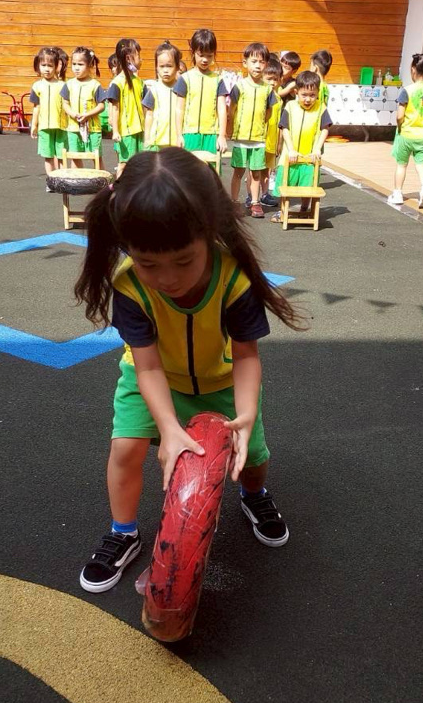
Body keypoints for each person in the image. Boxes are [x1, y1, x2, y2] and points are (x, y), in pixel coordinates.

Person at [73, 148, 304, 593]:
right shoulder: (129, 286)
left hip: (221, 380)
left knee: (253, 456)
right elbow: (147, 365)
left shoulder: (234, 278)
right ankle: (123, 532)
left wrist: (246, 417)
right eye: (148, 263)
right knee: (125, 448)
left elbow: (247, 356)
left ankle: (254, 496)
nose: (167, 278)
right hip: (152, 379)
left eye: (183, 260)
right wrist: (167, 427)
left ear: (209, 234)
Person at [270, 70, 330, 223]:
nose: (308, 99)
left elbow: (325, 128)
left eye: (312, 95)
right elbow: (285, 128)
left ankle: (304, 209)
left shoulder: (321, 108)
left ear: (318, 93)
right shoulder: (290, 106)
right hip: (290, 155)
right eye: (304, 95)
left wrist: (317, 148)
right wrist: (290, 149)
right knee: (285, 183)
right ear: (296, 92)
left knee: (308, 184)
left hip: (310, 156)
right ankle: (282, 210)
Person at [230, 42, 278, 219]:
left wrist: (260, 126)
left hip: (258, 139)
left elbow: (269, 112)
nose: (258, 65)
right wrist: (231, 129)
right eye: (254, 61)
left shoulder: (268, 90)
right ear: (245, 63)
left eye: (262, 62)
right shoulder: (239, 86)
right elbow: (231, 109)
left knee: (256, 173)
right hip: (241, 138)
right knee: (238, 172)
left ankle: (256, 203)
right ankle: (234, 202)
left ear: (266, 64)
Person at [388, 53, 423, 209]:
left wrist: (400, 126)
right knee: (421, 164)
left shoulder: (407, 90)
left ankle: (397, 193)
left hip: (406, 133)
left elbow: (400, 115)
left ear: (413, 69)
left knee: (401, 165)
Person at [174, 28, 228, 155]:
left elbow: (222, 109)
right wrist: (179, 135)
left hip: (211, 135)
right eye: (201, 55)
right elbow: (179, 109)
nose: (205, 60)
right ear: (193, 52)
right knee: (189, 166)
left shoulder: (218, 80)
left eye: (209, 55)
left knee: (210, 167)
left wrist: (222, 135)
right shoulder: (185, 79)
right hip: (189, 134)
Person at [103, 37, 145, 176]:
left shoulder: (139, 81)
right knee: (124, 163)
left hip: (140, 129)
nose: (141, 59)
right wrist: (115, 131)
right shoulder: (117, 83)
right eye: (138, 55)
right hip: (126, 132)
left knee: (141, 163)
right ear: (128, 58)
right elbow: (115, 108)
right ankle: (120, 188)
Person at [60, 46, 104, 165]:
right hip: (73, 128)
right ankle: (77, 177)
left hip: (93, 129)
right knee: (74, 156)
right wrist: (73, 114)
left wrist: (88, 115)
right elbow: (65, 103)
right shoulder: (68, 84)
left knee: (96, 157)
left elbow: (101, 105)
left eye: (80, 64)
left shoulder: (95, 85)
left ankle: (100, 176)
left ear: (89, 65)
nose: (76, 68)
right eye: (74, 64)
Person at [29, 46, 67, 183]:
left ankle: (62, 180)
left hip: (61, 126)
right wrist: (34, 125)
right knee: (48, 156)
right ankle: (51, 180)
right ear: (38, 66)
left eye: (50, 66)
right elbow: (36, 107)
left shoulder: (63, 85)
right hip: (44, 127)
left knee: (62, 156)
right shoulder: (37, 86)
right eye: (43, 65)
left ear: (56, 66)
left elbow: (67, 105)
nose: (46, 69)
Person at [142, 41, 181, 150]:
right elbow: (149, 115)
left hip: (177, 141)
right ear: (156, 67)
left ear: (177, 67)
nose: (165, 70)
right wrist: (147, 138)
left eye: (169, 66)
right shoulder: (154, 89)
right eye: (161, 66)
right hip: (158, 141)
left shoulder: (182, 89)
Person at [261, 56, 283, 207]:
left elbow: (279, 123)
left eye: (275, 79)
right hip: (261, 140)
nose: (273, 82)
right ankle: (251, 196)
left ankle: (264, 194)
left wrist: (279, 143)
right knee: (255, 170)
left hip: (272, 141)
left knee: (267, 170)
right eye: (269, 79)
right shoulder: (261, 96)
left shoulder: (279, 99)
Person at [100, 54, 118, 136]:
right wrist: (110, 116)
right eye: (112, 67)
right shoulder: (114, 82)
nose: (113, 69)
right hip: (115, 111)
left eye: (115, 66)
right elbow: (111, 102)